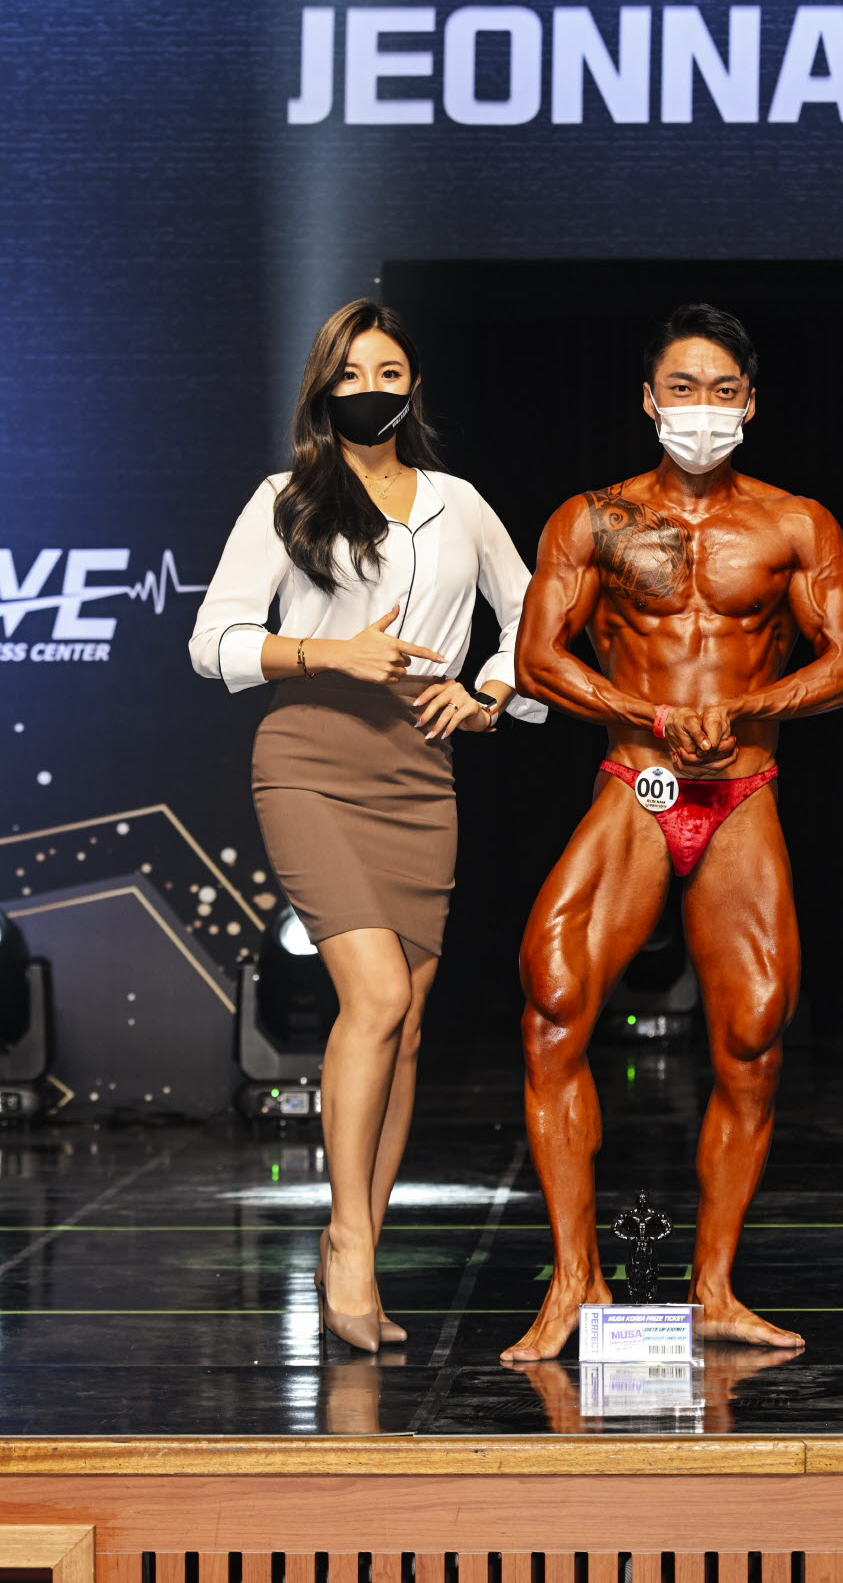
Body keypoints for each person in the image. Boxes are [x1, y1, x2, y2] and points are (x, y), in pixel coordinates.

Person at [502, 302, 843, 1362]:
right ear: (648, 399)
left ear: (748, 404)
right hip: (639, 778)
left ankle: (713, 1291)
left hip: (741, 789)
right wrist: (651, 713)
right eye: (681, 388)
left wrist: (746, 708)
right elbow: (537, 657)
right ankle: (574, 1282)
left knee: (752, 1038)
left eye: (720, 390)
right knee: (552, 1005)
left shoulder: (795, 523)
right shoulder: (593, 519)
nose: (700, 408)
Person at [190, 299, 543, 1352]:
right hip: (308, 755)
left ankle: (364, 1245)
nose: (370, 389)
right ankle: (345, 1244)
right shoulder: (285, 499)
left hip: (420, 773)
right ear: (322, 388)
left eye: (387, 372)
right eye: (349, 374)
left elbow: (536, 616)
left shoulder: (458, 502)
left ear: (413, 386)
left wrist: (489, 691)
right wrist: (328, 652)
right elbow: (213, 640)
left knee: (407, 1026)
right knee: (377, 996)